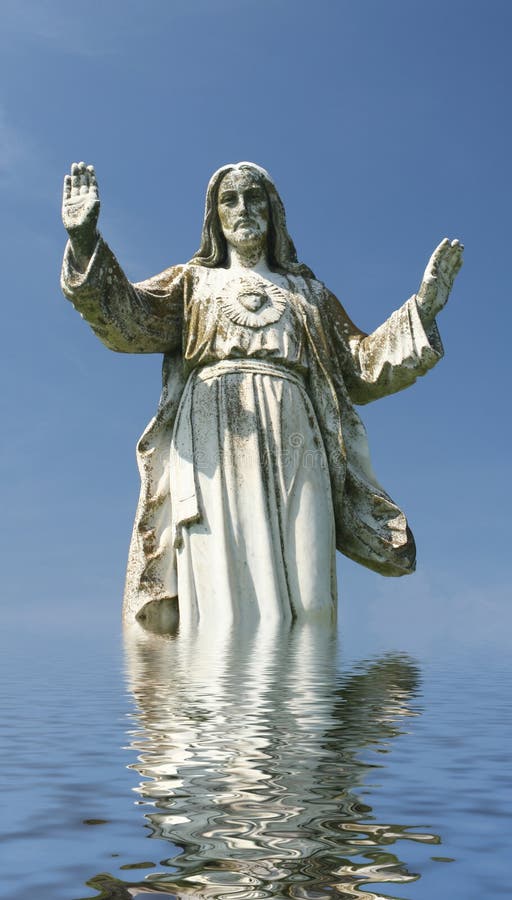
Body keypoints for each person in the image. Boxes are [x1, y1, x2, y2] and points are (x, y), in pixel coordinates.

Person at [61, 160, 463, 628]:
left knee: (312, 599)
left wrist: (421, 310)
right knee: (223, 594)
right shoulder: (193, 283)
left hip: (298, 436)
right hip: (213, 435)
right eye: (229, 200)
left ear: (273, 212)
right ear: (214, 217)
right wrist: (84, 241)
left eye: (253, 198)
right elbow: (127, 320)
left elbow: (362, 366)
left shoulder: (308, 295)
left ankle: (306, 677)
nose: (242, 208)